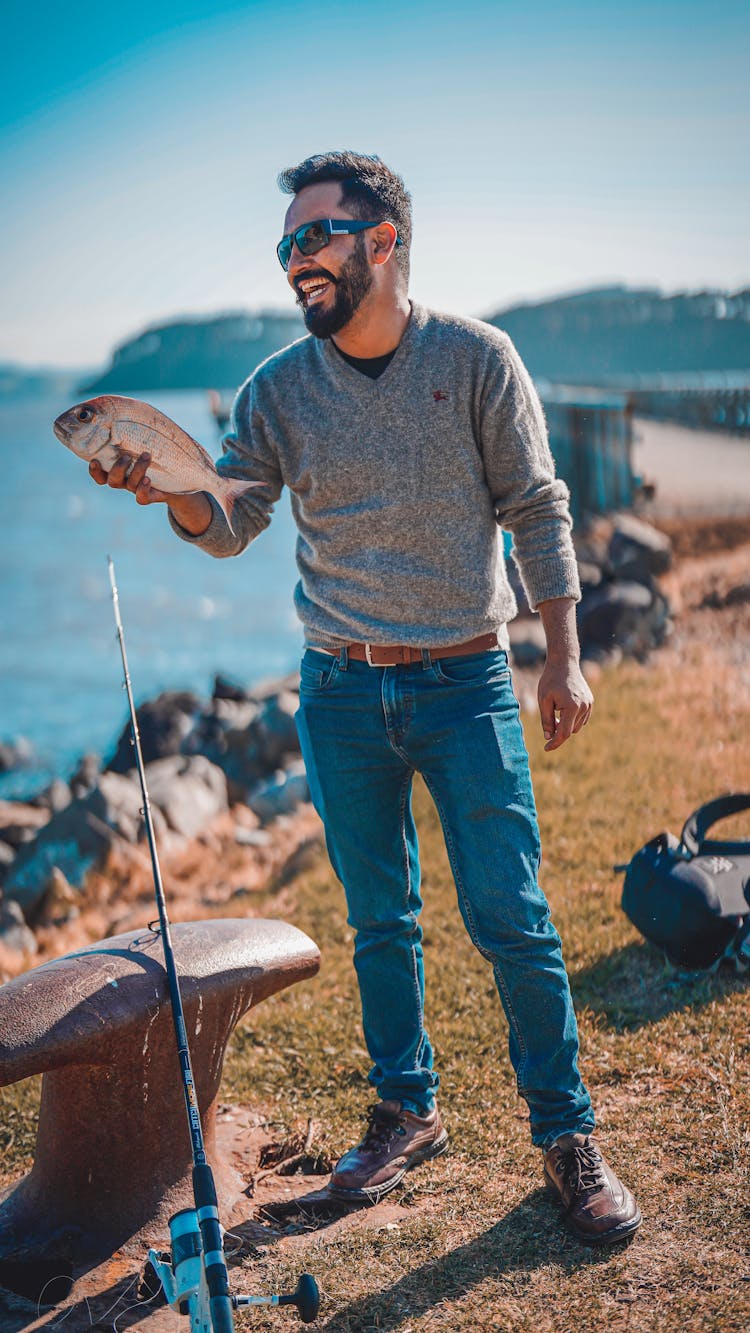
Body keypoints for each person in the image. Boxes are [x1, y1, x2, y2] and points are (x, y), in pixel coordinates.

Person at [89, 151, 640, 1245]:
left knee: (512, 918)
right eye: (285, 244)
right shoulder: (278, 390)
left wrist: (565, 656)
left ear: (381, 241)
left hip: (467, 678)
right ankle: (406, 1109)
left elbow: (536, 508)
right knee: (379, 920)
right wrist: (169, 494)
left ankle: (566, 1132)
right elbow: (230, 522)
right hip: (338, 690)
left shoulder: (479, 360)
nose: (296, 261)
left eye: (314, 238)